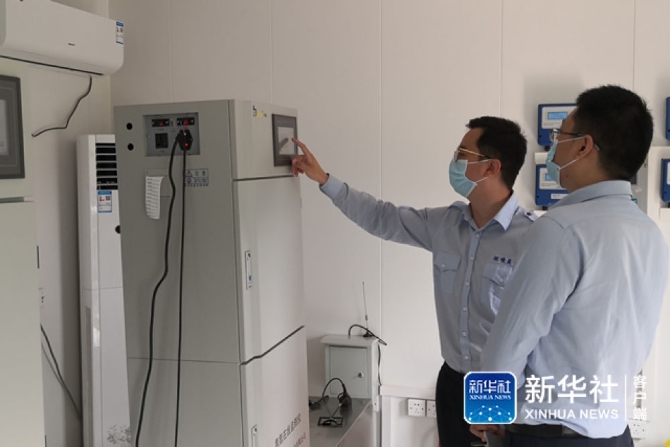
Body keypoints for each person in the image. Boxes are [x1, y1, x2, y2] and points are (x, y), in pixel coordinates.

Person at [291, 116, 536, 446]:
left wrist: (512, 403)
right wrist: (324, 179)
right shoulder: (446, 224)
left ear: (492, 167)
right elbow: (383, 217)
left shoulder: (532, 238)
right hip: (451, 379)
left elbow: (541, 330)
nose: (455, 161)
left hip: (497, 383)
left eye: (463, 154)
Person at [473, 85, 669, 446]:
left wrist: (486, 412)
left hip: (551, 435)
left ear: (583, 146)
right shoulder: (650, 233)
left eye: (559, 136)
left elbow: (510, 340)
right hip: (614, 434)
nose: (554, 147)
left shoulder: (560, 229)